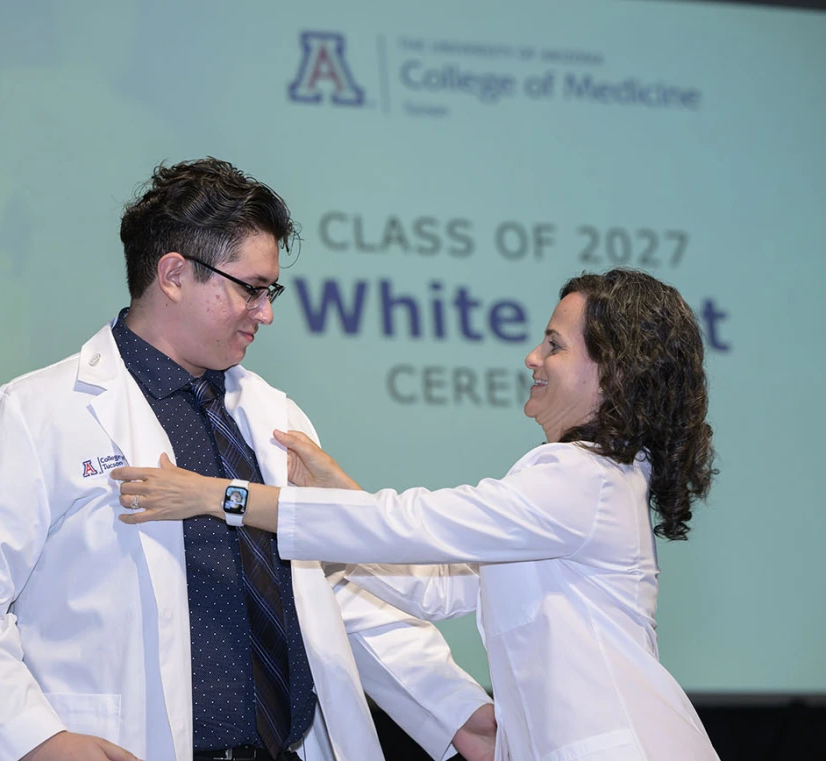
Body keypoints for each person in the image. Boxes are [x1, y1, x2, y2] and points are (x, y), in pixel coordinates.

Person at [0, 157, 495, 761]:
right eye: (251, 289)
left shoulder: (272, 417)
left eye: (271, 291)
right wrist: (34, 739)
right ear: (175, 274)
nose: (265, 312)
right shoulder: (40, 411)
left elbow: (325, 592)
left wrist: (454, 709)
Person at [113, 268, 721, 760]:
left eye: (556, 345)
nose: (533, 357)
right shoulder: (586, 486)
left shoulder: (579, 478)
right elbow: (429, 586)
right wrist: (341, 493)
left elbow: (410, 524)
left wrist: (221, 496)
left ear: (613, 373)